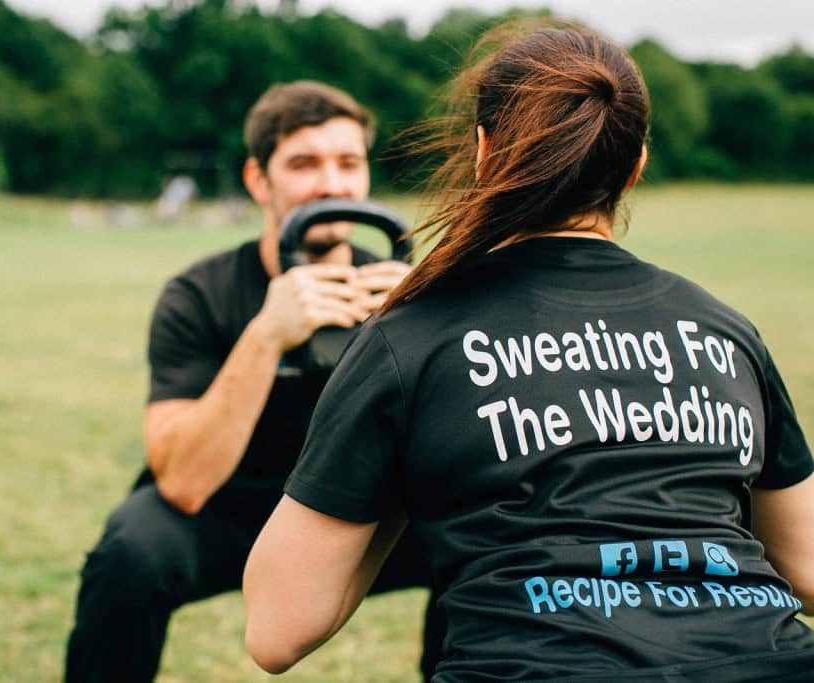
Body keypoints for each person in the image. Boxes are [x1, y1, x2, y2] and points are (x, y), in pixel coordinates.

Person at [243, 22, 814, 681]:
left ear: (484, 150)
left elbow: (278, 627)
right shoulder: (723, 329)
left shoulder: (411, 334)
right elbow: (805, 568)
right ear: (635, 166)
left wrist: (402, 469)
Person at [64, 80, 443, 682]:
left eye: (348, 163)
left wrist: (415, 325)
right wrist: (266, 335)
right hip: (230, 512)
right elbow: (182, 483)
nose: (331, 184)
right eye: (304, 164)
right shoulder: (199, 295)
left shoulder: (406, 292)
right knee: (131, 550)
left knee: (484, 529)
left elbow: (454, 454)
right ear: (258, 180)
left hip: (355, 516)